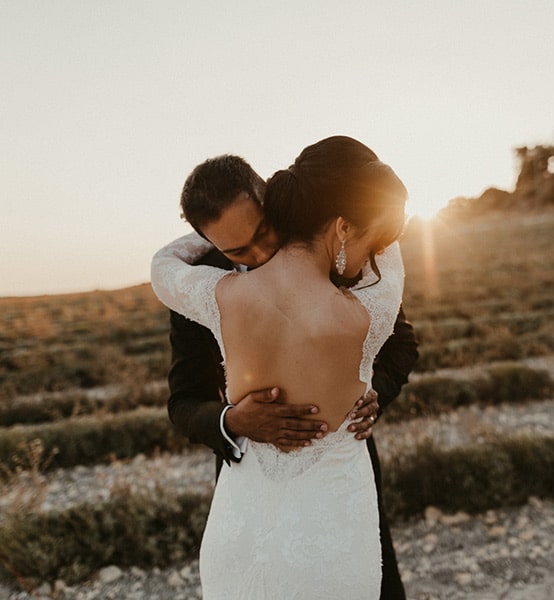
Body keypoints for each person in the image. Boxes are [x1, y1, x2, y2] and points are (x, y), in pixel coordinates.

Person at [151, 136, 410, 598]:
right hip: (250, 489)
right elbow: (183, 400)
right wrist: (232, 420)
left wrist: (373, 395)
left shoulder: (338, 244)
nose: (258, 255)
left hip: (339, 475)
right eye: (236, 251)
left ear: (272, 199)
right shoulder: (204, 288)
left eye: (262, 233)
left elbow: (402, 344)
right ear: (211, 243)